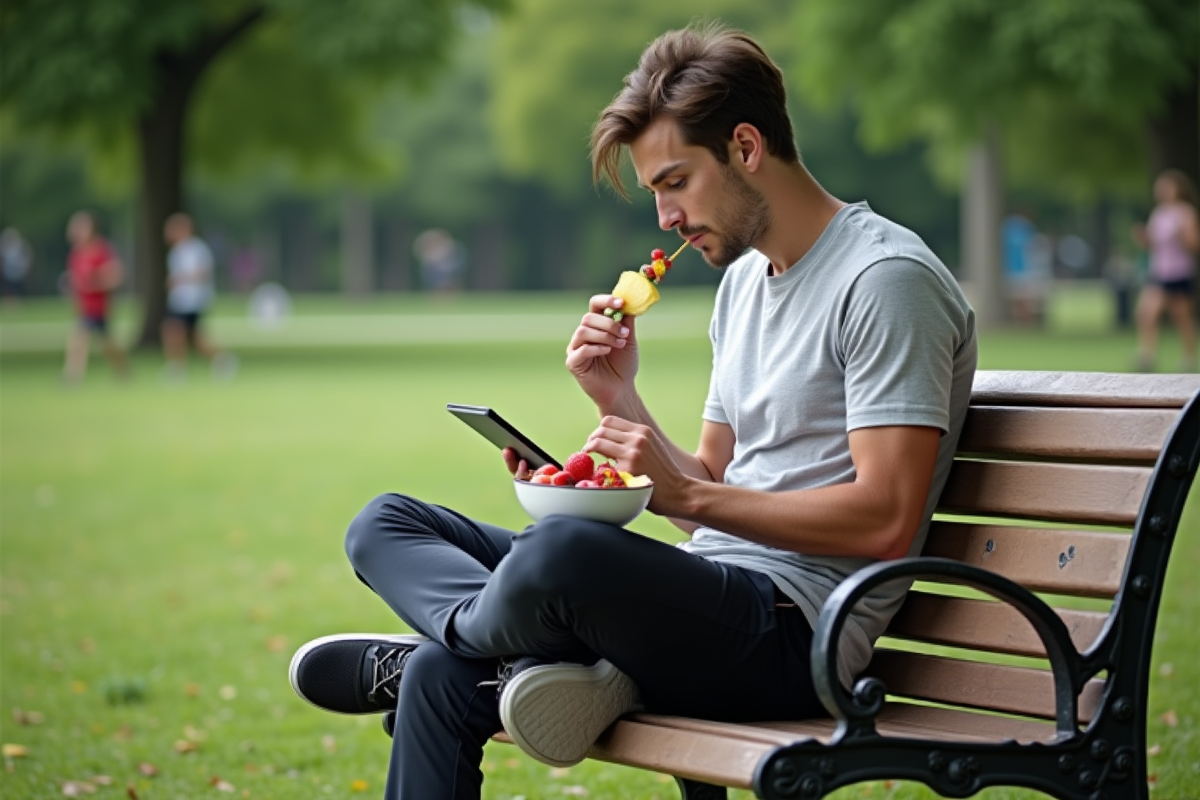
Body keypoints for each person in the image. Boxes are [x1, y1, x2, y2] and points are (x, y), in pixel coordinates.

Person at [287, 23, 977, 800]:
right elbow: (711, 493)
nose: (665, 218)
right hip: (705, 595)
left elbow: (884, 518)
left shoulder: (883, 280)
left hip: (796, 633)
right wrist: (620, 398)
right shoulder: (747, 285)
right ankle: (486, 647)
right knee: (387, 523)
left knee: (554, 560)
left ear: (746, 147)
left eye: (675, 181)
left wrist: (686, 497)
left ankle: (476, 647)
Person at [1134, 169, 1200, 372]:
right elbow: (1154, 245)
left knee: (1182, 318)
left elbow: (1194, 244)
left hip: (1179, 272)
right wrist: (1143, 238)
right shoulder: (1159, 213)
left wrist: (1182, 236)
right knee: (1146, 312)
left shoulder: (1185, 212)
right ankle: (1147, 355)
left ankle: (1188, 358)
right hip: (1160, 271)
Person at [162, 213, 236, 380]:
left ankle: (178, 369)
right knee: (192, 336)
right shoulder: (176, 251)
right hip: (180, 299)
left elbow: (203, 273)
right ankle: (221, 360)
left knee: (172, 330)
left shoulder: (196, 249)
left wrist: (180, 279)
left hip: (192, 299)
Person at [63, 211, 130, 383]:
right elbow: (75, 280)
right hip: (85, 307)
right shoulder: (76, 253)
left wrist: (96, 281)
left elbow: (116, 276)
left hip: (100, 306)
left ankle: (75, 376)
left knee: (94, 341)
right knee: (88, 339)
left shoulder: (102, 250)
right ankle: (74, 375)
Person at [1, 227, 33, 306]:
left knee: (17, 288)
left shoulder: (19, 246)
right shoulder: (5, 248)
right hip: (8, 272)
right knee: (10, 289)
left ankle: (17, 303)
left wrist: (25, 267)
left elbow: (27, 256)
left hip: (18, 273)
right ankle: (11, 303)